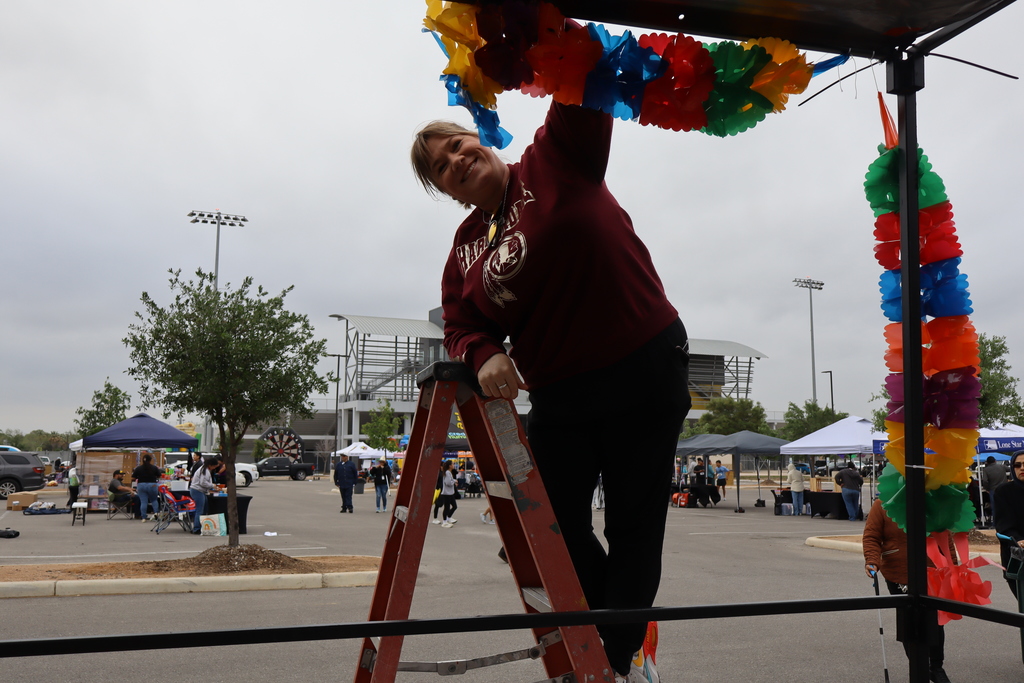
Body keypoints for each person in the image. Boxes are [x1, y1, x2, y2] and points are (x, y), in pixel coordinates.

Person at [413, 85, 690, 681]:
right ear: (444, 189)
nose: (457, 161)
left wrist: (538, 41)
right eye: (442, 167)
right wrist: (483, 351)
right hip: (561, 391)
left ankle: (614, 663)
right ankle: (617, 645)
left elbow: (583, 77)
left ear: (482, 139)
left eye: (459, 146)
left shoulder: (554, 154)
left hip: (641, 364)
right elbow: (460, 323)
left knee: (632, 526)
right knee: (545, 529)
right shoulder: (464, 250)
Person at [862, 497, 954, 683]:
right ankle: (919, 666)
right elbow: (872, 535)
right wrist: (872, 560)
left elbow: (945, 536)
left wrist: (953, 567)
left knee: (936, 620)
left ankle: (936, 666)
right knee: (909, 619)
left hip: (933, 570)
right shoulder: (883, 504)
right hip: (898, 571)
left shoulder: (932, 500)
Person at [993, 450, 1024, 598]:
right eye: (1017, 465)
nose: (1022, 468)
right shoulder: (1003, 491)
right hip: (1017, 559)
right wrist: (1018, 540)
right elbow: (1003, 525)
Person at [189, 457, 219, 534]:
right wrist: (212, 485)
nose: (214, 468)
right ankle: (196, 528)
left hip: (199, 491)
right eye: (214, 466)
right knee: (200, 510)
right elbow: (203, 483)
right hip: (197, 491)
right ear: (210, 465)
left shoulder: (204, 469)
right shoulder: (205, 471)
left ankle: (201, 526)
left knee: (203, 510)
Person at [132, 453, 163, 522]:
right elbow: (159, 475)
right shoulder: (154, 468)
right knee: (154, 500)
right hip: (152, 485)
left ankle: (143, 517)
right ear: (150, 460)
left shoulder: (138, 468)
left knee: (143, 502)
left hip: (141, 485)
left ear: (142, 460)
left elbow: (133, 477)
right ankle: (156, 515)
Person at [981, 455, 1008, 525]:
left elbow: (985, 481)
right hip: (1004, 488)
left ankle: (996, 523)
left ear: (987, 462)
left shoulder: (986, 470)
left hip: (993, 490)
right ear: (995, 461)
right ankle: (1006, 522)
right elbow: (1012, 469)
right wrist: (1010, 479)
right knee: (1005, 505)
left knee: (995, 507)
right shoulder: (1002, 466)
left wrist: (987, 488)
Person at [439, 460, 459, 528]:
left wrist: (453, 480)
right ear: (450, 465)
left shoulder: (448, 472)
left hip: (450, 493)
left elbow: (449, 481)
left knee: (454, 506)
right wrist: (454, 481)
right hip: (446, 493)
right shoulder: (447, 472)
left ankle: (448, 518)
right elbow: (448, 483)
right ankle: (444, 522)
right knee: (446, 508)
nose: (454, 465)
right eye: (453, 464)